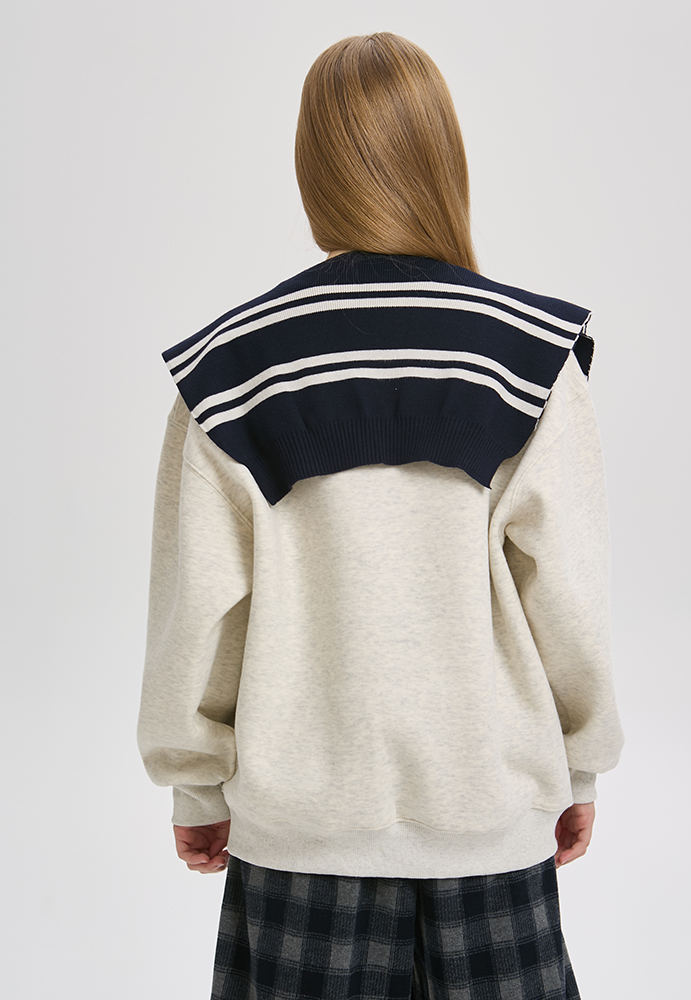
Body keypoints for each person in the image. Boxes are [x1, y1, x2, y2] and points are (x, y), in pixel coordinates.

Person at [137, 32, 624, 1000]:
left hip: (300, 838)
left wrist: (196, 781)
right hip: (487, 822)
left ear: (311, 165)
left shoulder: (230, 367)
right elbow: (567, 593)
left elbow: (200, 607)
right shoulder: (528, 355)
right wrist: (579, 767)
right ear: (444, 154)